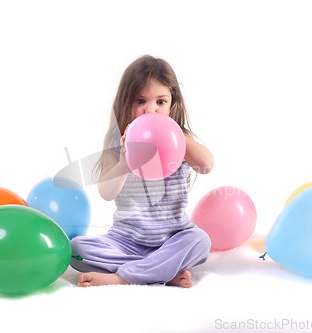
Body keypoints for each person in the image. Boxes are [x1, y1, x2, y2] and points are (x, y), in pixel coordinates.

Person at [70, 55, 214, 288]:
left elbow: (207, 165)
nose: (151, 110)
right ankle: (162, 270)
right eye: (140, 101)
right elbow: (106, 193)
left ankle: (123, 277)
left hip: (173, 239)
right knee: (76, 249)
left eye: (161, 102)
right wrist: (126, 161)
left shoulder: (179, 139)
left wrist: (179, 137)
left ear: (172, 103)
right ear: (126, 103)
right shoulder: (117, 144)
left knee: (200, 241)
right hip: (125, 241)